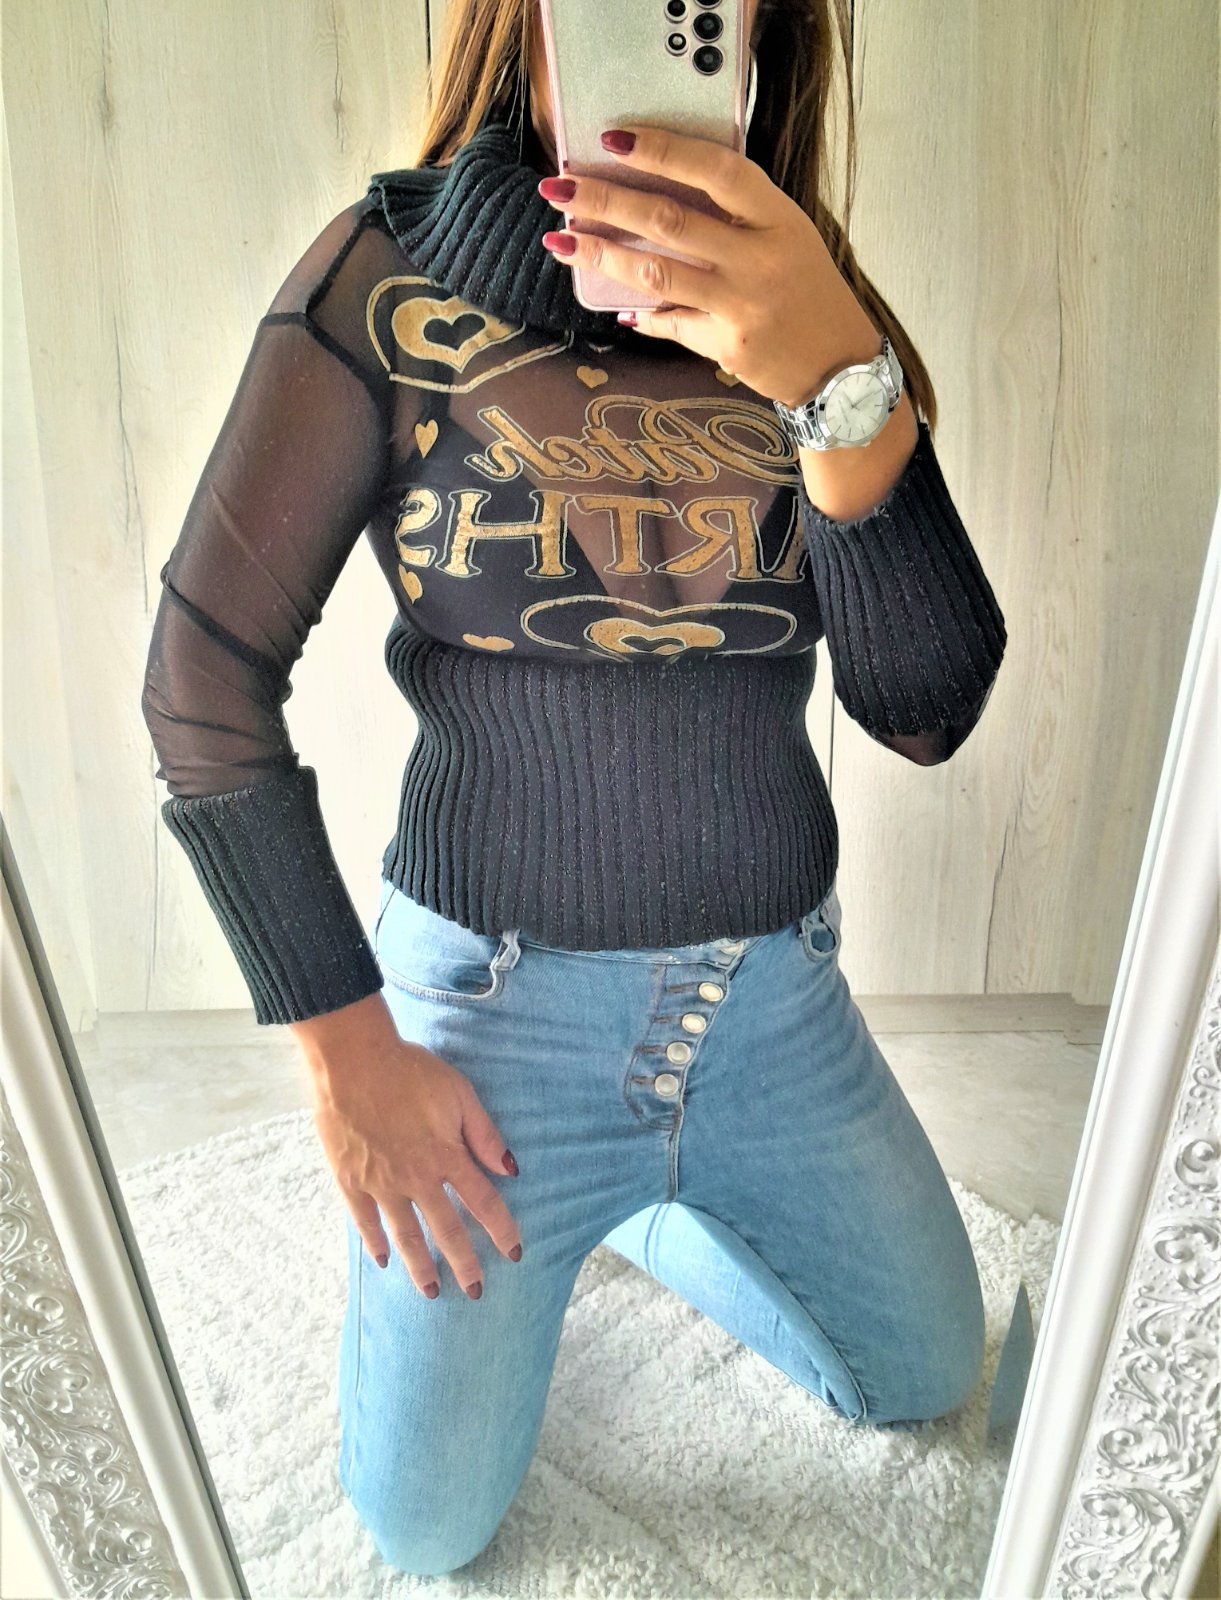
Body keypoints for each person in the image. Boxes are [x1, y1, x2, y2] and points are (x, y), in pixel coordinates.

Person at [141, 0, 1009, 1576]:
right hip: (490, 1018)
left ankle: (652, 1205)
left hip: (769, 1002)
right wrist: (347, 1057)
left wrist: (833, 372)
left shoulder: (805, 299)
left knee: (926, 1372)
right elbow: (201, 681)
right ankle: (588, 1211)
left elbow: (925, 710)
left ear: (764, 32)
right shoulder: (382, 282)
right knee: (426, 1527)